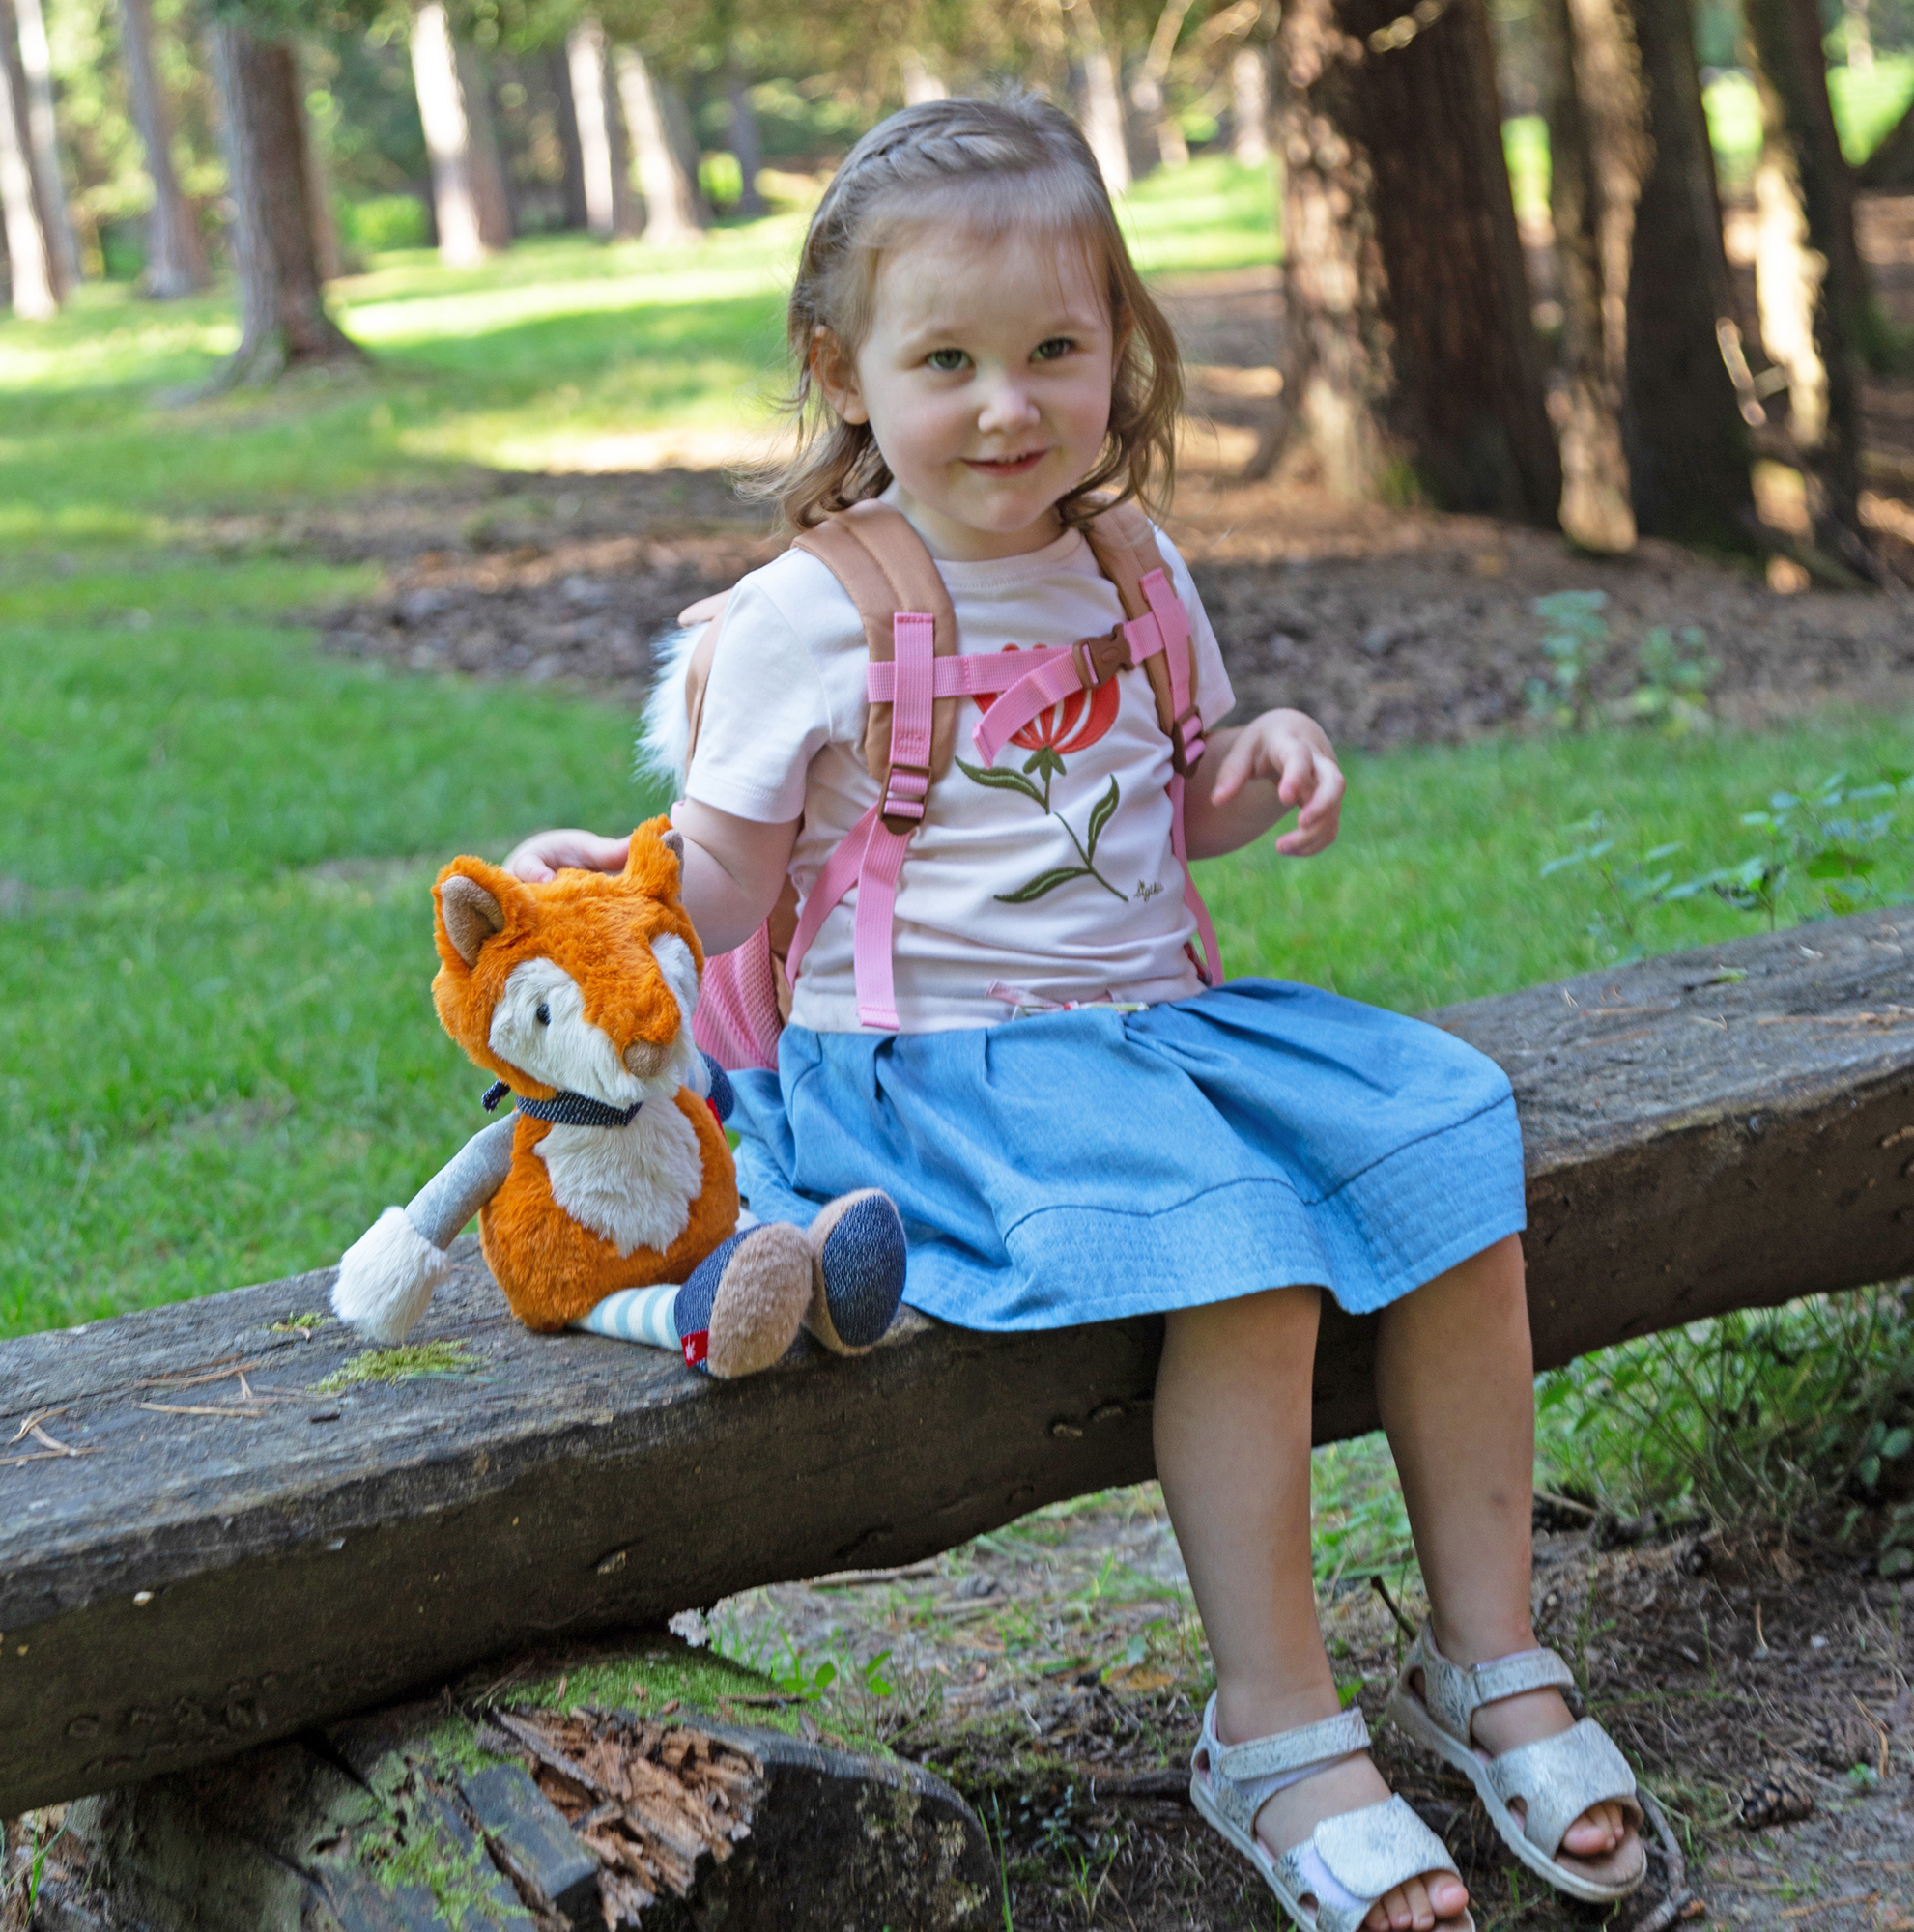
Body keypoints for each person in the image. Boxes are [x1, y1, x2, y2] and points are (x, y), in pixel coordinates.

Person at [506, 94, 1646, 1932]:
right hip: (923, 1077)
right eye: (946, 359)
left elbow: (1153, 805)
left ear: (1123, 347)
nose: (1009, 405)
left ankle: (1490, 1653)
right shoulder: (815, 613)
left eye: (1056, 350)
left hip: (1148, 1033)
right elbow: (718, 891)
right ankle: (1279, 1732)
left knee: (1452, 1150)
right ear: (847, 371)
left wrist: (1252, 761)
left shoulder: (1132, 565)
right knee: (1251, 1257)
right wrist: (605, 904)